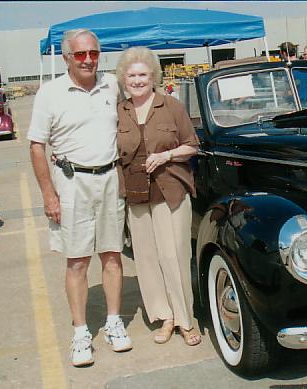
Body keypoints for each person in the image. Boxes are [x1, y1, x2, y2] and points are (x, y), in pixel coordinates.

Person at [27, 29, 131, 367]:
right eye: (80, 55)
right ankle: (81, 332)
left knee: (113, 255)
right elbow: (36, 146)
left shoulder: (112, 85)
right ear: (67, 58)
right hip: (72, 183)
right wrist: (48, 194)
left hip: (110, 178)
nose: (88, 60)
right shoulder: (50, 93)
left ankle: (114, 322)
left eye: (94, 53)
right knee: (77, 260)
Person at [115, 47, 201, 347]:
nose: (137, 80)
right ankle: (164, 318)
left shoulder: (172, 106)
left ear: (153, 77)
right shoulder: (119, 111)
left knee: (174, 256)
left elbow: (192, 145)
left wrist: (166, 155)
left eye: (143, 75)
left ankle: (185, 320)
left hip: (171, 191)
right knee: (148, 260)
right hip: (136, 195)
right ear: (123, 79)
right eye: (132, 75)